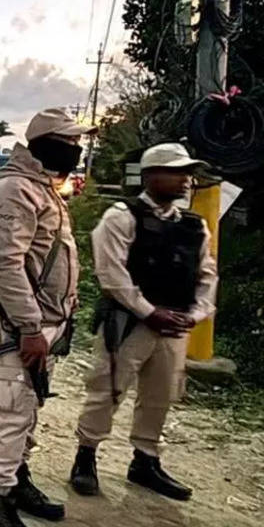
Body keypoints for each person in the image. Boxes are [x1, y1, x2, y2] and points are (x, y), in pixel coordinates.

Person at [0, 107, 96, 527]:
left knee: (28, 411)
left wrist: (62, 312)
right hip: (15, 326)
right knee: (10, 415)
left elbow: (48, 259)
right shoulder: (13, 191)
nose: (77, 149)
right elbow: (6, 267)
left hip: (41, 324)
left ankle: (17, 481)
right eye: (70, 142)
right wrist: (30, 327)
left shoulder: (43, 187)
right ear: (47, 143)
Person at [70, 143, 217, 502]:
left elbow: (207, 274)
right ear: (151, 176)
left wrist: (195, 314)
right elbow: (112, 275)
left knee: (161, 395)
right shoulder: (122, 217)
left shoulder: (194, 226)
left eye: (188, 173)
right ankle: (85, 458)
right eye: (177, 172)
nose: (186, 180)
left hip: (174, 324)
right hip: (129, 322)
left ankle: (145, 461)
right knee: (107, 389)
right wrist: (149, 311)